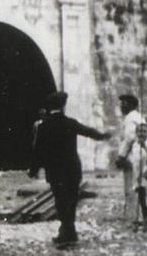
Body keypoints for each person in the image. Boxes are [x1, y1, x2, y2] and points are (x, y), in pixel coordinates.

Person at [29, 92, 111, 247]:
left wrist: (33, 170)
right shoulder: (70, 123)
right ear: (63, 106)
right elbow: (88, 132)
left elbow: (37, 151)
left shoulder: (43, 127)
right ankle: (68, 232)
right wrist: (102, 136)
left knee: (60, 201)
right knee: (72, 200)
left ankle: (67, 232)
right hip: (73, 168)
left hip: (55, 171)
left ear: (49, 107)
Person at [117, 94, 147, 221]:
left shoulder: (130, 118)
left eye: (125, 103)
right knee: (140, 184)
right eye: (121, 103)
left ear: (133, 105)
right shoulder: (138, 116)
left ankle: (135, 217)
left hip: (134, 153)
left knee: (132, 186)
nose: (122, 106)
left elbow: (129, 138)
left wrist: (121, 156)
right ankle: (143, 216)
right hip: (141, 152)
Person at [127, 122, 147, 231]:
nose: (142, 134)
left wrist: (145, 147)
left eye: (144, 131)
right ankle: (142, 221)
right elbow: (134, 161)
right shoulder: (134, 145)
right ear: (136, 132)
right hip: (138, 176)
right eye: (139, 131)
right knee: (141, 199)